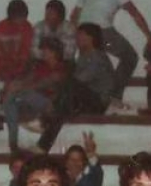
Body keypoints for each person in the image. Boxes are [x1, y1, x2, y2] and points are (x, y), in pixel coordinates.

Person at [70, 0, 151, 111]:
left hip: (83, 33)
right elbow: (135, 14)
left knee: (90, 65)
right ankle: (114, 95)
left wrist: (76, 37)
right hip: (102, 32)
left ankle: (89, 99)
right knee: (130, 57)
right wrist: (149, 36)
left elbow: (74, 15)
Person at [36, 25, 114, 153]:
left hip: (98, 103)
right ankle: (43, 142)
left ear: (90, 38)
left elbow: (80, 80)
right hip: (82, 100)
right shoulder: (83, 56)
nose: (77, 38)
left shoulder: (97, 57)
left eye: (80, 35)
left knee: (68, 85)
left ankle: (45, 123)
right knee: (63, 107)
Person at [1, 37, 67, 153]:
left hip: (49, 104)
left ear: (54, 52)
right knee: (11, 105)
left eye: (46, 50)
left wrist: (19, 88)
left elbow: (46, 83)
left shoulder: (62, 67)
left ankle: (1, 108)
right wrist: (15, 85)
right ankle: (13, 143)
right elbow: (28, 80)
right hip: (32, 102)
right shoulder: (41, 66)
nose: (43, 53)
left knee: (21, 93)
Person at [0, 0, 35, 114]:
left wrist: (14, 64)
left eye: (23, 17)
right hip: (1, 64)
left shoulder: (27, 28)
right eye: (18, 17)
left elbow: (26, 53)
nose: (21, 21)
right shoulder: (0, 27)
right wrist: (1, 65)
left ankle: (5, 100)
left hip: (18, 65)